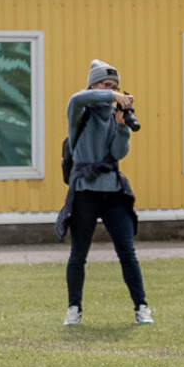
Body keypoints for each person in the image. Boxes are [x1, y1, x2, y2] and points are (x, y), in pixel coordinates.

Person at [57, 60, 152, 328]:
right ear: (93, 86)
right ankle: (73, 309)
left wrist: (122, 127)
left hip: (112, 193)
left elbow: (119, 153)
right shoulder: (79, 110)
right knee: (79, 254)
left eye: (115, 86)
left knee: (127, 252)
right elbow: (77, 97)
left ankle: (141, 307)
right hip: (85, 192)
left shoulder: (113, 116)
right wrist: (114, 96)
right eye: (106, 85)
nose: (112, 91)